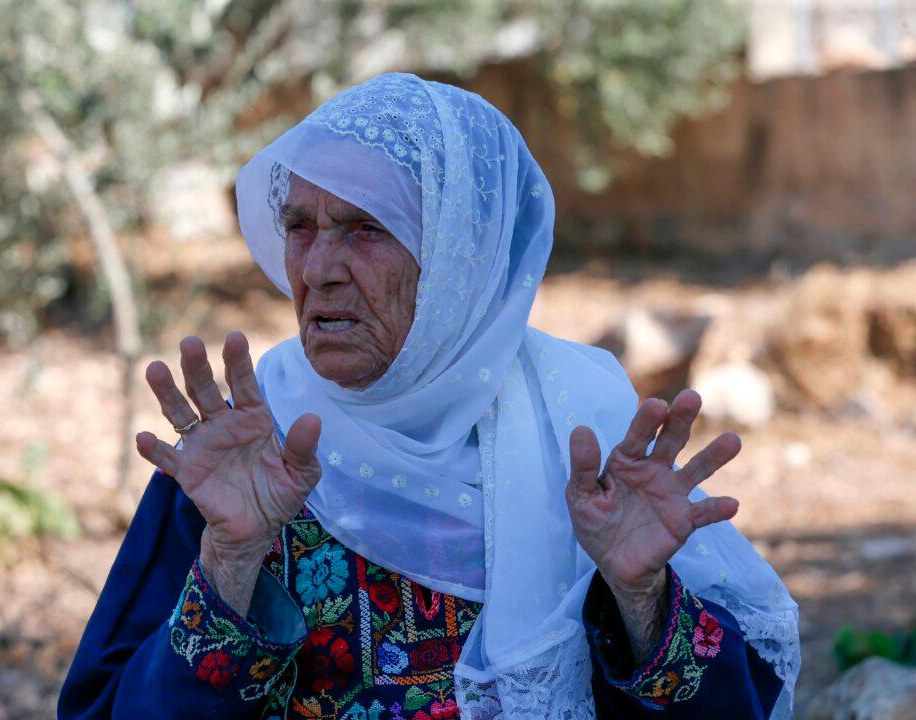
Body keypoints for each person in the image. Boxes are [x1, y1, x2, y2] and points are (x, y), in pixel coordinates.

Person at [58, 73, 799, 719]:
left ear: (459, 256)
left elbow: (741, 705)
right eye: (299, 227)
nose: (317, 268)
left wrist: (641, 599)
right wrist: (228, 562)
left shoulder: (583, 435)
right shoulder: (244, 447)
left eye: (365, 229)